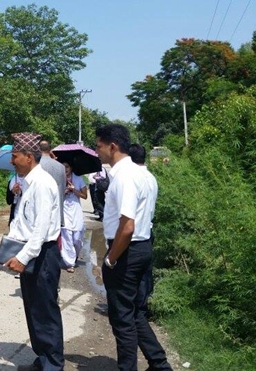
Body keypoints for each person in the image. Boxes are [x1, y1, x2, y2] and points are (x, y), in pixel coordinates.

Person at [95, 124, 172, 371]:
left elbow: (126, 227)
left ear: (112, 146)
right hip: (142, 246)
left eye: (98, 146)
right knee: (135, 311)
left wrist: (110, 259)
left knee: (122, 319)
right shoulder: (144, 175)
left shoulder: (125, 177)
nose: (97, 152)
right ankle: (159, 364)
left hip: (127, 249)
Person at [4, 132, 64, 371]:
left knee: (45, 310)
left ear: (29, 157)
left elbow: (40, 230)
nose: (12, 161)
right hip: (32, 252)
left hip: (42, 255)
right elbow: (24, 221)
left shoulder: (42, 183)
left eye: (15, 156)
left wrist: (23, 257)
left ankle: (53, 364)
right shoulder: (28, 183)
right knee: (33, 309)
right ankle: (43, 358)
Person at [129, 143, 157, 318]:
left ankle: (135, 309)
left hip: (134, 234)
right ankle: (143, 306)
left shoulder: (133, 178)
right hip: (147, 230)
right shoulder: (151, 177)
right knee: (145, 273)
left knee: (132, 276)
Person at [60, 161, 87, 273]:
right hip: (64, 210)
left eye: (67, 166)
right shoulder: (59, 179)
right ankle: (70, 262)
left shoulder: (79, 179)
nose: (65, 169)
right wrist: (64, 191)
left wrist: (74, 190)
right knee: (66, 236)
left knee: (77, 238)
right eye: (63, 167)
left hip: (76, 211)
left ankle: (74, 254)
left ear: (71, 168)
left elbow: (85, 196)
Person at [39, 140, 66, 228]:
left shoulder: (36, 165)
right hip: (57, 213)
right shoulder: (61, 167)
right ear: (50, 150)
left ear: (39, 150)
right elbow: (62, 190)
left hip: (40, 213)